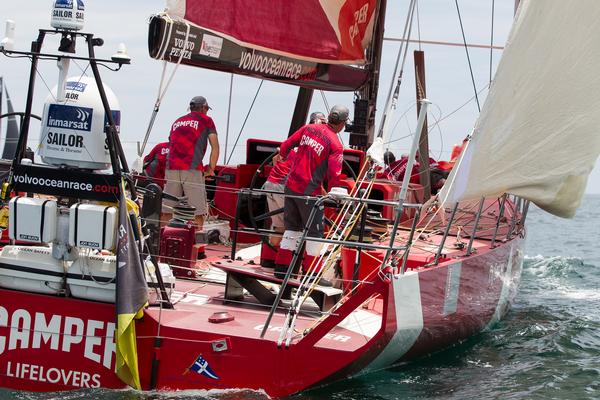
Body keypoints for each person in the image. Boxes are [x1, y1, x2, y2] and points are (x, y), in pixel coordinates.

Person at [273, 105, 348, 286]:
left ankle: (281, 270)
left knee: (292, 228)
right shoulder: (335, 144)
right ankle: (312, 275)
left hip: (290, 187)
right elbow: (334, 174)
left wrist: (282, 156)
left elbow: (285, 146)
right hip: (309, 193)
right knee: (315, 233)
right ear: (343, 124)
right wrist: (335, 194)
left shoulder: (309, 128)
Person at [260, 111, 326, 268]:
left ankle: (269, 260)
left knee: (279, 226)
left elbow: (277, 156)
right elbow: (312, 179)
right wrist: (327, 196)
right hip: (287, 186)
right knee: (298, 227)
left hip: (270, 184)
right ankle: (294, 267)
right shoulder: (315, 150)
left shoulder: (298, 142)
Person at [162, 96, 219, 229]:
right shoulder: (206, 120)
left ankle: (161, 241)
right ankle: (197, 242)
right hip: (192, 168)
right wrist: (211, 169)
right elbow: (215, 146)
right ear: (204, 108)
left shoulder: (177, 121)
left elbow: (171, 142)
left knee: (167, 210)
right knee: (198, 212)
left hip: (171, 167)